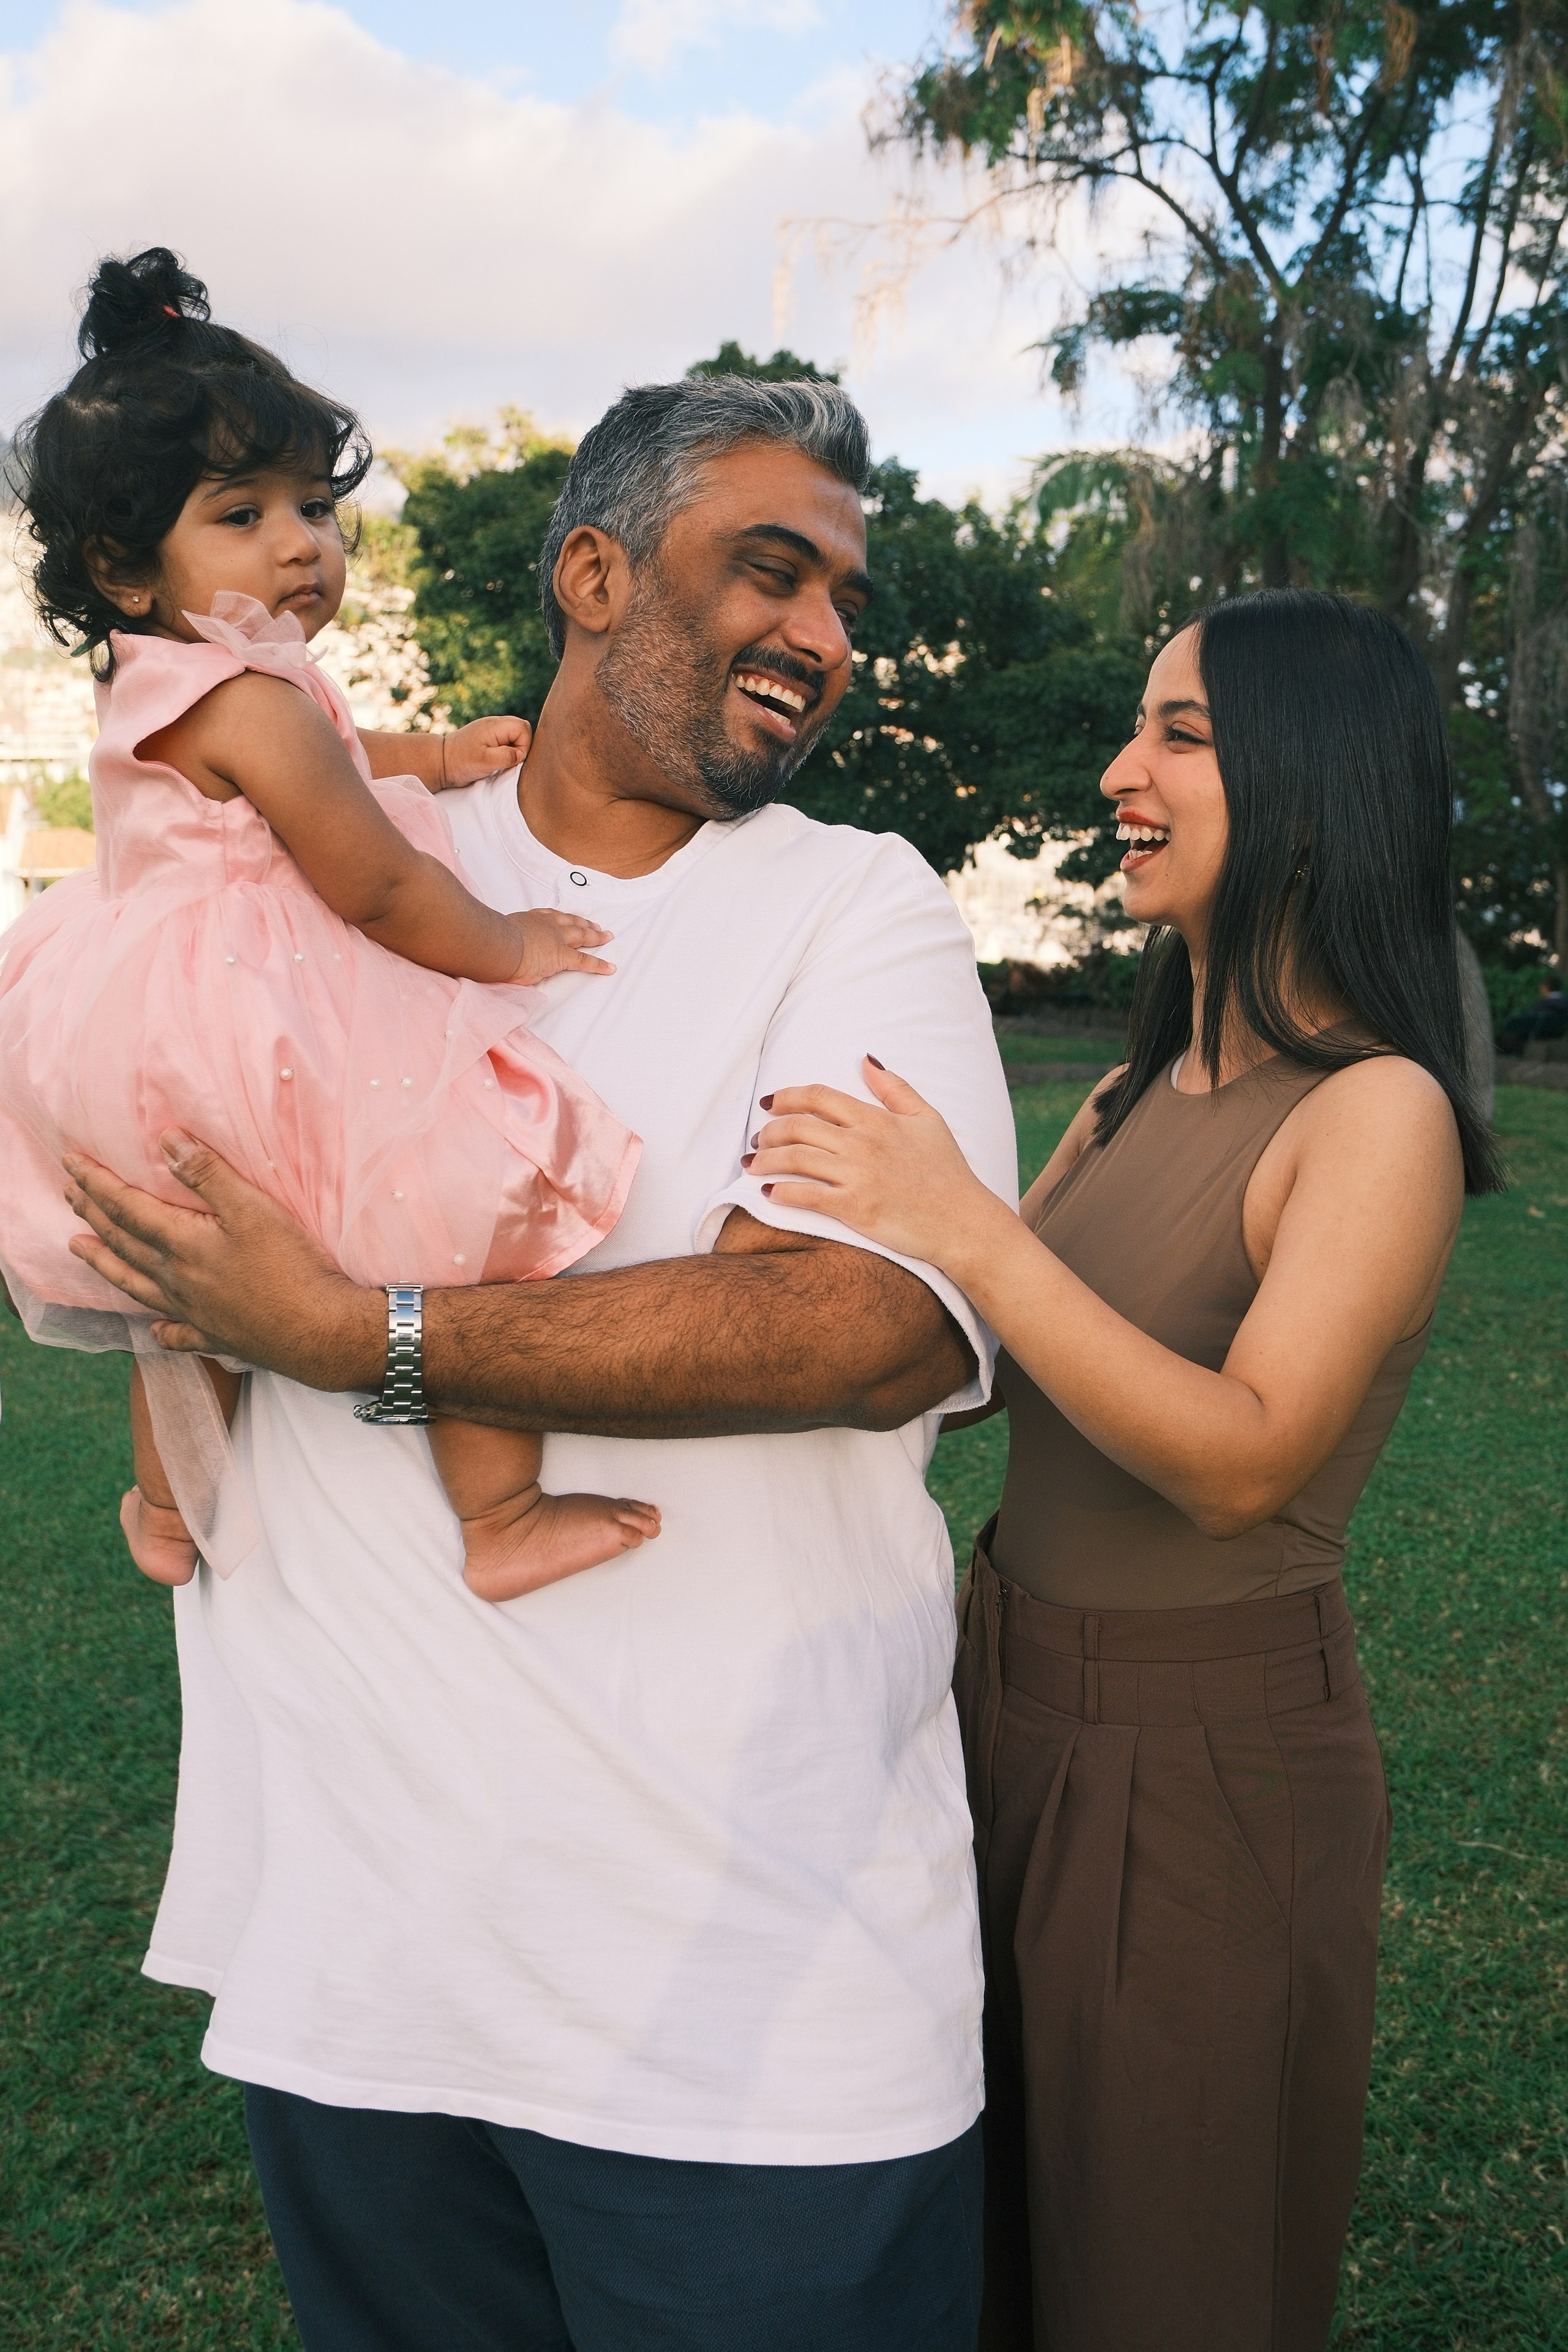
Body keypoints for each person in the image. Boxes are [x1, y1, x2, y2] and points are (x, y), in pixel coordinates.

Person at [54, 366, 1017, 2350]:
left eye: (847, 595)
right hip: (359, 1975)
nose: (827, 637)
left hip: (738, 2016)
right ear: (593, 571)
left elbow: (863, 1324)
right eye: (774, 571)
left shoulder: (857, 910)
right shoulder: (335, 836)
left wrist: (360, 1339)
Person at [746, 589, 1502, 2352]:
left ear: (1316, 779)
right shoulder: (1131, 1089)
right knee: (984, 2228)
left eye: (1181, 734)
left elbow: (1244, 1461)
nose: (1119, 772)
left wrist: (967, 1232)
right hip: (996, 1707)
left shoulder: (1373, 1111)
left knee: (1163, 2266)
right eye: (1135, 727)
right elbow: (980, 1374)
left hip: (1207, 1763)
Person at [0, 247, 655, 1601]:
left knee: (178, 1308)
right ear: (126, 567)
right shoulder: (254, 701)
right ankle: (502, 1514)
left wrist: (433, 753)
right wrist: (508, 941)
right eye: (240, 514)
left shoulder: (191, 683)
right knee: (469, 1208)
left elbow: (331, 768)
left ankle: (167, 1513)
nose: (302, 542)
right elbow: (375, 885)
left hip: (135, 1029)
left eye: (314, 507)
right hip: (259, 1016)